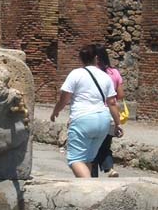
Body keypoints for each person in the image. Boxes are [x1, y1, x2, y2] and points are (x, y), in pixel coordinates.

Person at [49, 44, 122, 178]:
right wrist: (117, 123)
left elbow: (64, 99)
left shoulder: (76, 74)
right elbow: (112, 102)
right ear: (96, 58)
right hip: (103, 121)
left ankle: (89, 187)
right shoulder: (105, 76)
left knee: (75, 159)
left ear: (80, 59)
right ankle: (88, 186)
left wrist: (55, 112)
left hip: (83, 119)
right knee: (88, 158)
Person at [91, 46, 125, 178]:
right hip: (110, 114)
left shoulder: (91, 73)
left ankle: (92, 176)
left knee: (92, 146)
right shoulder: (114, 73)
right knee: (105, 145)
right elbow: (120, 95)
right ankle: (109, 168)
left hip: (94, 113)